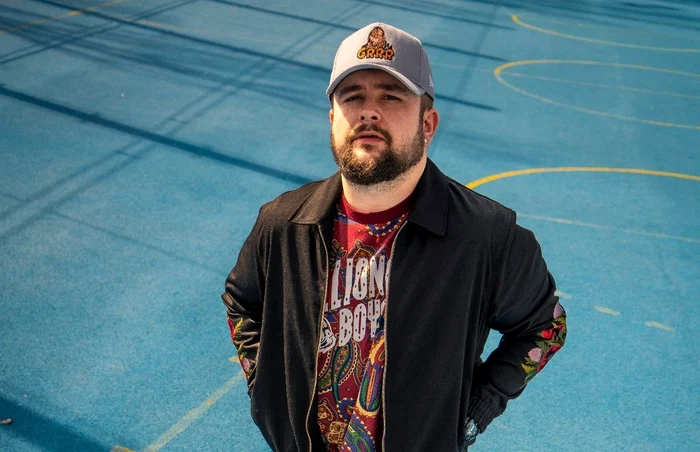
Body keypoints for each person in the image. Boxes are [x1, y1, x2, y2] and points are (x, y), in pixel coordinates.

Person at [222, 22, 567, 452]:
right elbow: (241, 301)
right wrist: (264, 388)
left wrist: (473, 413)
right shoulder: (284, 224)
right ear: (333, 120)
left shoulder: (487, 237)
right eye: (353, 97)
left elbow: (546, 326)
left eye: (390, 96)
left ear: (428, 124)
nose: (369, 112)